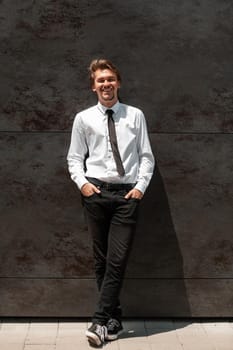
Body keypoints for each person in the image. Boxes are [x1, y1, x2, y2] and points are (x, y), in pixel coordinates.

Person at [67, 58, 154, 347]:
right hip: (96, 195)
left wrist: (140, 187)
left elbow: (145, 156)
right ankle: (114, 319)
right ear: (93, 87)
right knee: (102, 261)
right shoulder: (83, 119)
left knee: (117, 260)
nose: (106, 84)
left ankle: (99, 321)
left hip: (126, 196)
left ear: (119, 83)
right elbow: (75, 158)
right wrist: (85, 186)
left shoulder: (135, 116)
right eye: (100, 80)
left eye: (110, 79)